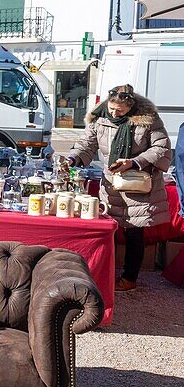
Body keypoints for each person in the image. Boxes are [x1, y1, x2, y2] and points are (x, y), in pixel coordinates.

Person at [69, 84, 171, 292]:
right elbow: (86, 144)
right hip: (111, 185)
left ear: (131, 107)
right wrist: (73, 158)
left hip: (136, 184)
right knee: (108, 231)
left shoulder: (148, 119)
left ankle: (129, 278)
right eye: (112, 109)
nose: (114, 113)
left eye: (120, 111)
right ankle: (106, 274)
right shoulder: (100, 118)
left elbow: (161, 147)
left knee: (134, 232)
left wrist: (134, 162)